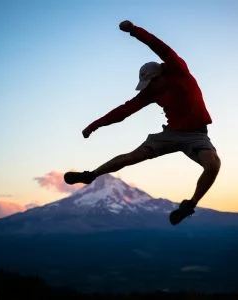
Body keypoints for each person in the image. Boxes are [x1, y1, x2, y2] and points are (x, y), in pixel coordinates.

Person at [64, 20, 221, 225]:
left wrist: (134, 31)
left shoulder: (178, 70)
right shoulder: (151, 92)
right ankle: (90, 175)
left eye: (151, 82)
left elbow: (160, 47)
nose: (149, 88)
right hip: (171, 134)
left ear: (160, 75)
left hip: (196, 134)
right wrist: (94, 126)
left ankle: (189, 206)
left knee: (213, 164)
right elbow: (123, 111)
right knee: (133, 157)